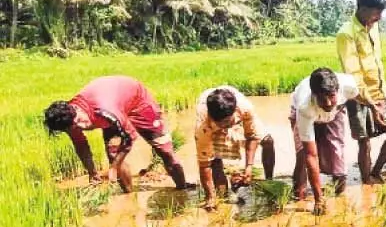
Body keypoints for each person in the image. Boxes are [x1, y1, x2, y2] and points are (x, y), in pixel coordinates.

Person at [43, 75, 190, 192]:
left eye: (79, 121)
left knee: (164, 150)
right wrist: (92, 173)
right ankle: (129, 196)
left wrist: (113, 168)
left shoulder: (105, 111)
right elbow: (81, 146)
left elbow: (131, 137)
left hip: (138, 102)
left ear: (76, 111)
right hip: (113, 101)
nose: (82, 126)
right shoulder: (67, 120)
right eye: (75, 127)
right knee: (113, 153)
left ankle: (182, 189)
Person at [336, 0, 386, 183]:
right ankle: (366, 181)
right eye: (376, 13)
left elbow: (377, 62)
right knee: (364, 142)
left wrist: (383, 95)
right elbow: (353, 72)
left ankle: (376, 171)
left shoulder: (373, 27)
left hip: (381, 92)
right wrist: (372, 104)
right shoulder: (346, 34)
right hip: (359, 95)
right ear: (363, 9)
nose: (380, 17)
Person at [290, 68, 360, 215]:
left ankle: (340, 198)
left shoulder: (348, 86)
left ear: (338, 91)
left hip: (336, 112)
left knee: (337, 156)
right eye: (322, 98)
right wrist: (318, 200)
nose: (328, 102)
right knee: (303, 156)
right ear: (314, 95)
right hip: (308, 115)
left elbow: (357, 98)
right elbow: (311, 155)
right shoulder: (304, 107)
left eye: (331, 96)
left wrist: (368, 111)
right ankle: (299, 196)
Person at [194, 86, 275, 209]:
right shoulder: (203, 123)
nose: (224, 126)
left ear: (234, 111)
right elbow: (205, 163)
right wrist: (210, 197)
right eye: (220, 123)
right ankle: (222, 195)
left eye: (227, 122)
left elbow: (252, 136)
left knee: (268, 141)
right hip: (209, 123)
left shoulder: (245, 108)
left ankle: (269, 182)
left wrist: (249, 167)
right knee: (215, 157)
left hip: (238, 115)